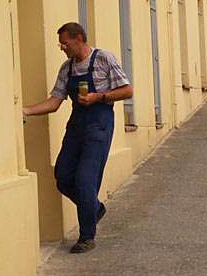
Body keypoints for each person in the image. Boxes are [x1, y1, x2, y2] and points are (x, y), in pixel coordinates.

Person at [22, 22, 133, 254]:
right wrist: (26, 111)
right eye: (60, 44)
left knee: (85, 180)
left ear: (79, 38)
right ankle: (95, 208)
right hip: (76, 126)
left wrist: (99, 97)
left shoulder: (103, 59)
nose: (62, 47)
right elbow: (55, 101)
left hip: (99, 124)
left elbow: (127, 90)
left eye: (65, 43)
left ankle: (86, 237)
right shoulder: (67, 69)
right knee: (63, 176)